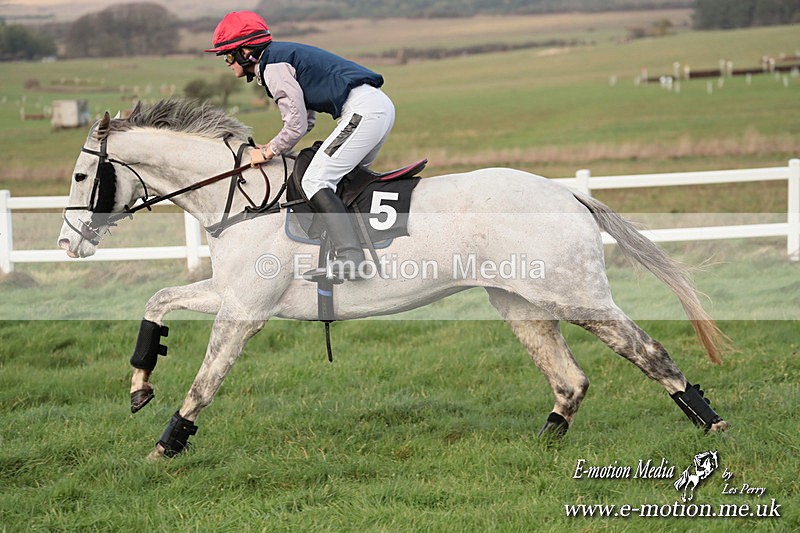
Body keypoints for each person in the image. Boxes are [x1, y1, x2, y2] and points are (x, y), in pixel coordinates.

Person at [206, 11, 395, 281]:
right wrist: (271, 145)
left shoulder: (274, 66)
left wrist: (269, 151)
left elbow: (295, 126)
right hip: (373, 108)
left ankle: (351, 259)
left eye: (226, 55)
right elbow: (305, 121)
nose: (226, 63)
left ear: (246, 52)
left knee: (316, 179)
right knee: (340, 179)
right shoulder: (279, 58)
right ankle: (352, 246)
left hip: (364, 111)